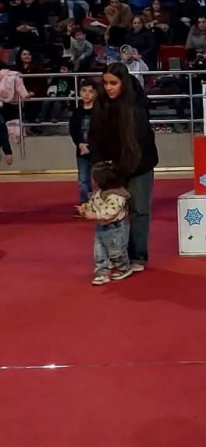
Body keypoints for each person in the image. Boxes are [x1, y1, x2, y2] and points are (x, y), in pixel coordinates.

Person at [90, 64, 158, 270]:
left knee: (139, 211)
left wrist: (125, 171)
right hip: (110, 168)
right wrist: (103, 170)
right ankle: (116, 256)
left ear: (124, 83)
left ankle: (138, 256)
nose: (109, 87)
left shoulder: (137, 107)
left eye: (114, 83)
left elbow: (142, 142)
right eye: (105, 83)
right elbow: (95, 138)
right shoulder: (100, 105)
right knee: (110, 213)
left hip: (140, 166)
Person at [77, 161, 133, 285]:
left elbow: (111, 212)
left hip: (115, 228)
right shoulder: (99, 192)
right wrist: (86, 208)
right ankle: (102, 273)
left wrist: (95, 215)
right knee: (99, 251)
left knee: (117, 251)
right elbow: (94, 203)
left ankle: (124, 268)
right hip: (101, 227)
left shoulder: (116, 195)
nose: (93, 181)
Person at [69, 80, 98, 202]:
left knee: (101, 180)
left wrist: (91, 146)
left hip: (97, 151)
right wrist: (79, 144)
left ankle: (100, 203)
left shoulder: (99, 112)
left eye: (90, 91)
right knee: (83, 181)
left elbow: (102, 131)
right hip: (81, 152)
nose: (87, 94)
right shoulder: (77, 112)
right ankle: (85, 203)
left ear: (96, 93)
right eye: (84, 91)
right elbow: (73, 130)